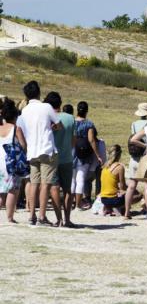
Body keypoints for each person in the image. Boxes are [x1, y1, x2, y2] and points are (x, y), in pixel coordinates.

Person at [17, 81, 63, 226]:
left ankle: (32, 215)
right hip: (46, 149)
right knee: (46, 184)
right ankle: (42, 216)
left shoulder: (24, 110)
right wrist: (53, 127)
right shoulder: (46, 107)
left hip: (32, 150)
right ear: (39, 92)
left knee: (33, 183)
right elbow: (58, 123)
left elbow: (23, 129)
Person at [44, 91, 76, 227]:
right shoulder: (70, 118)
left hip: (52, 156)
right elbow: (74, 141)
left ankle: (59, 219)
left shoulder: (48, 118)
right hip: (67, 157)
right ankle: (68, 219)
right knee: (67, 189)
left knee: (54, 188)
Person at [0, 99, 27, 224]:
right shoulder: (16, 129)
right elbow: (23, 145)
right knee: (13, 190)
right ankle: (10, 217)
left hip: (0, 162)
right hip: (11, 163)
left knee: (1, 190)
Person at [71, 101, 102, 210]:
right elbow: (91, 140)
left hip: (71, 152)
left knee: (72, 180)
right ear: (86, 111)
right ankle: (78, 204)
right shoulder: (88, 124)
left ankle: (70, 202)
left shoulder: (71, 122)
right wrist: (98, 155)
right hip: (84, 155)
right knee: (80, 179)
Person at [124, 103, 147, 219]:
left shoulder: (134, 124)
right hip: (144, 157)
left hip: (134, 158)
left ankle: (127, 212)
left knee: (131, 186)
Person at [99, 145, 128, 215]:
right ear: (119, 154)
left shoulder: (104, 166)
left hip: (103, 198)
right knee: (137, 194)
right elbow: (122, 186)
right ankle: (119, 207)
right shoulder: (119, 167)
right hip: (114, 199)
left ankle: (109, 207)